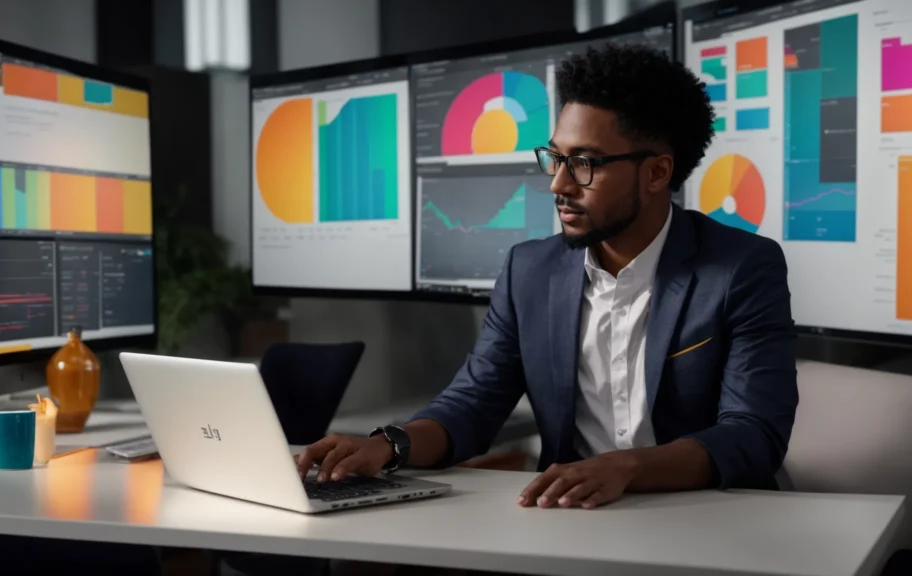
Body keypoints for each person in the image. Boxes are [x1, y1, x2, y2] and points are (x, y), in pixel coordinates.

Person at [298, 43, 799, 509]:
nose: (558, 184)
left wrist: (626, 468)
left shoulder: (741, 268)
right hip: (574, 515)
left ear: (656, 173)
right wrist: (389, 446)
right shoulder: (529, 270)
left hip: (709, 515)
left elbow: (753, 434)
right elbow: (474, 402)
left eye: (584, 163)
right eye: (556, 158)